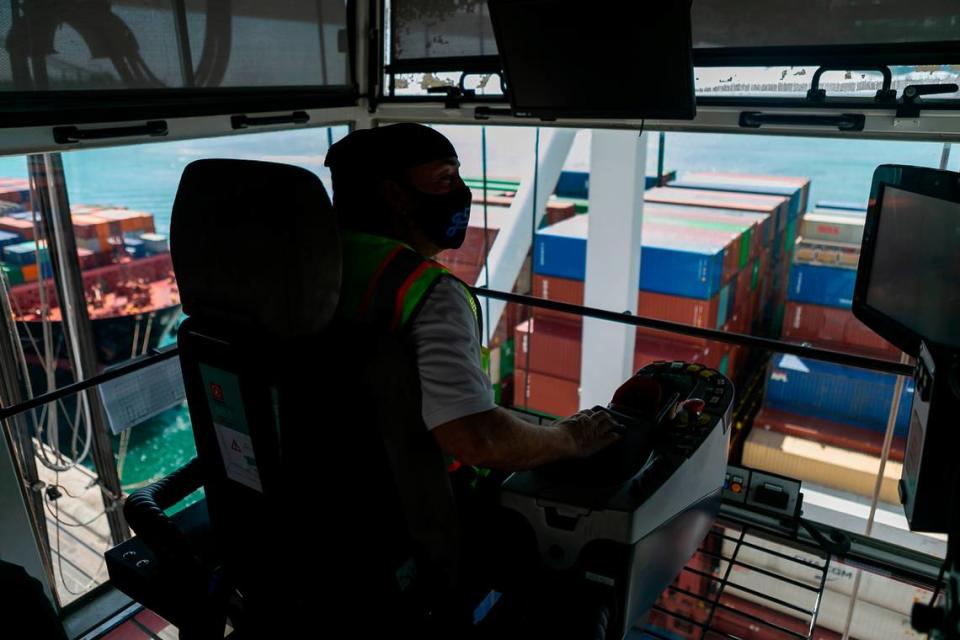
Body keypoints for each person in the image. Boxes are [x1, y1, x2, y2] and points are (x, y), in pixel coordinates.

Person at [324, 123, 620, 474]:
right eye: (446, 179)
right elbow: (480, 440)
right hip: (423, 506)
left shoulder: (304, 262)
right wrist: (572, 437)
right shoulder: (430, 292)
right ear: (396, 195)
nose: (464, 193)